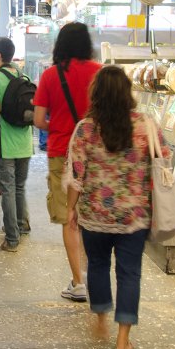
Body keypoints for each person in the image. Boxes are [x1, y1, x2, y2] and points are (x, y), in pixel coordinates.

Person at [65, 66, 170, 349]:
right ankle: (123, 340)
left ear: (95, 94)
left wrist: (71, 209)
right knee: (129, 274)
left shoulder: (85, 129)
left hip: (94, 214)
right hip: (134, 216)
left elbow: (76, 175)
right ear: (128, 93)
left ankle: (100, 319)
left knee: (97, 265)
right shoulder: (146, 124)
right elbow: (164, 158)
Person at [33, 22, 102, 302]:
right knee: (93, 218)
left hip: (62, 152)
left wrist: (62, 127)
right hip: (97, 154)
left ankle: (78, 282)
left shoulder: (50, 76)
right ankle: (96, 279)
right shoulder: (99, 73)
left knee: (70, 218)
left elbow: (38, 120)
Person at [0, 37, 33, 252]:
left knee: (7, 190)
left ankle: (12, 239)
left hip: (4, 144)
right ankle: (21, 227)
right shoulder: (24, 76)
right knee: (19, 187)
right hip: (24, 143)